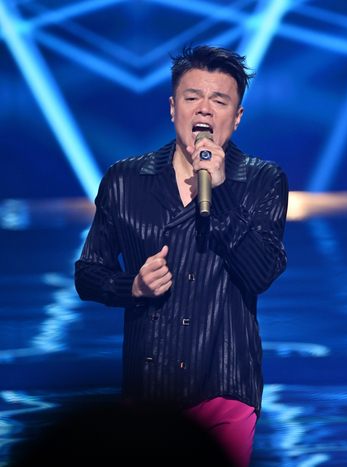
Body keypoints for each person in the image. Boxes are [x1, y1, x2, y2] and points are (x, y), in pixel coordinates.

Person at [75, 45, 288, 467]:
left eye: (219, 101)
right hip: (149, 392)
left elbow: (262, 272)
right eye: (193, 97)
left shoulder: (262, 180)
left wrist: (220, 191)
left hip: (226, 386)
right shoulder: (125, 179)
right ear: (174, 108)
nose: (204, 109)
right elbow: (88, 273)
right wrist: (132, 286)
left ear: (237, 116)